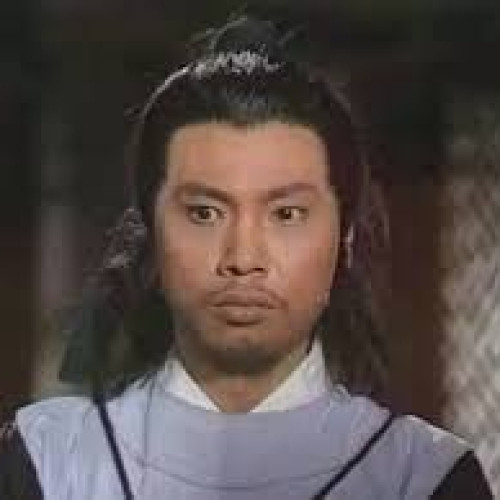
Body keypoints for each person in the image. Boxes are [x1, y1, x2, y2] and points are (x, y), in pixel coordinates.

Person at [0, 16, 493, 499]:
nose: (242, 258)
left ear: (344, 237)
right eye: (205, 213)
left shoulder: (423, 477)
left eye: (286, 214)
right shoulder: (48, 461)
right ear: (151, 229)